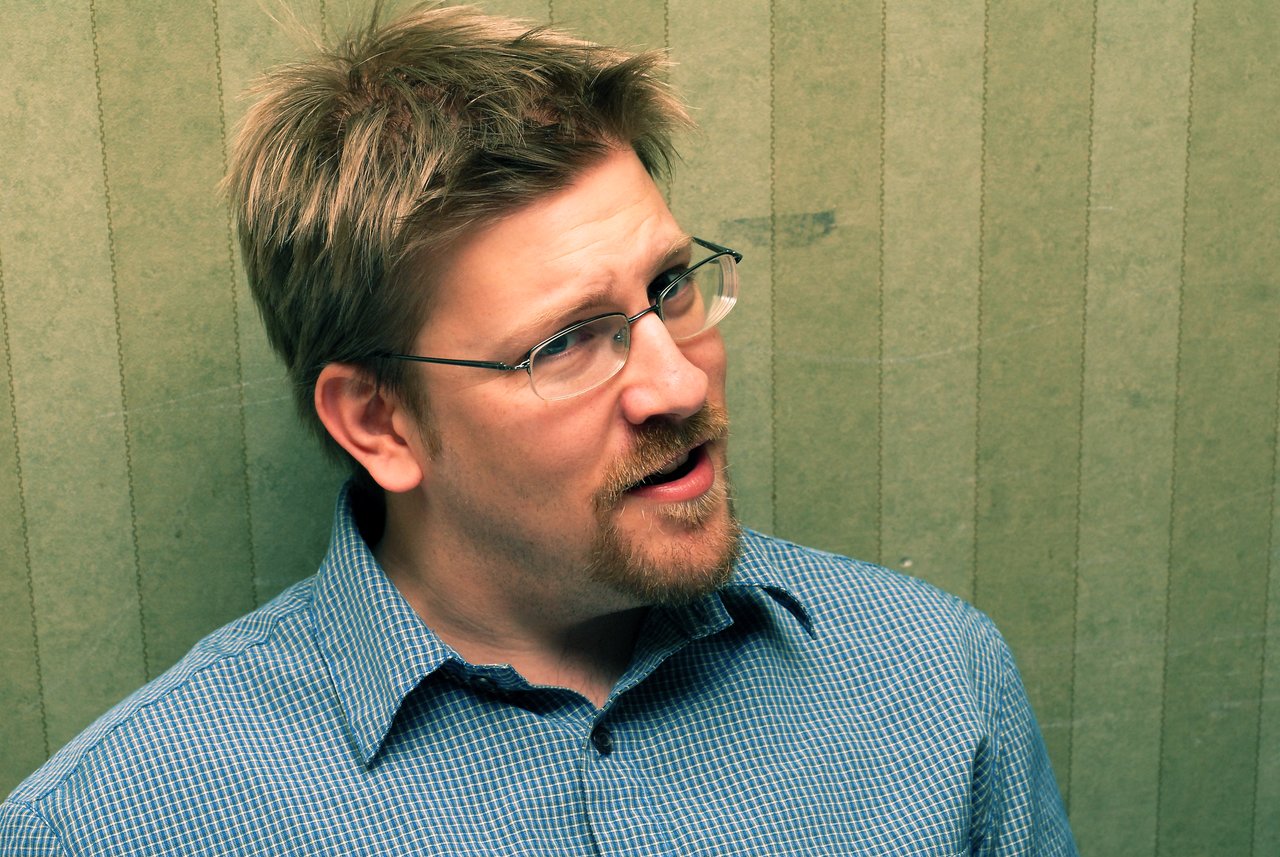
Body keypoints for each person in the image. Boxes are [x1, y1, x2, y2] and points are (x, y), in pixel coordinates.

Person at [0, 5, 1077, 854]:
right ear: (378, 420)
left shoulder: (935, 685)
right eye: (564, 341)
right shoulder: (112, 826)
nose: (672, 382)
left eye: (669, 286)